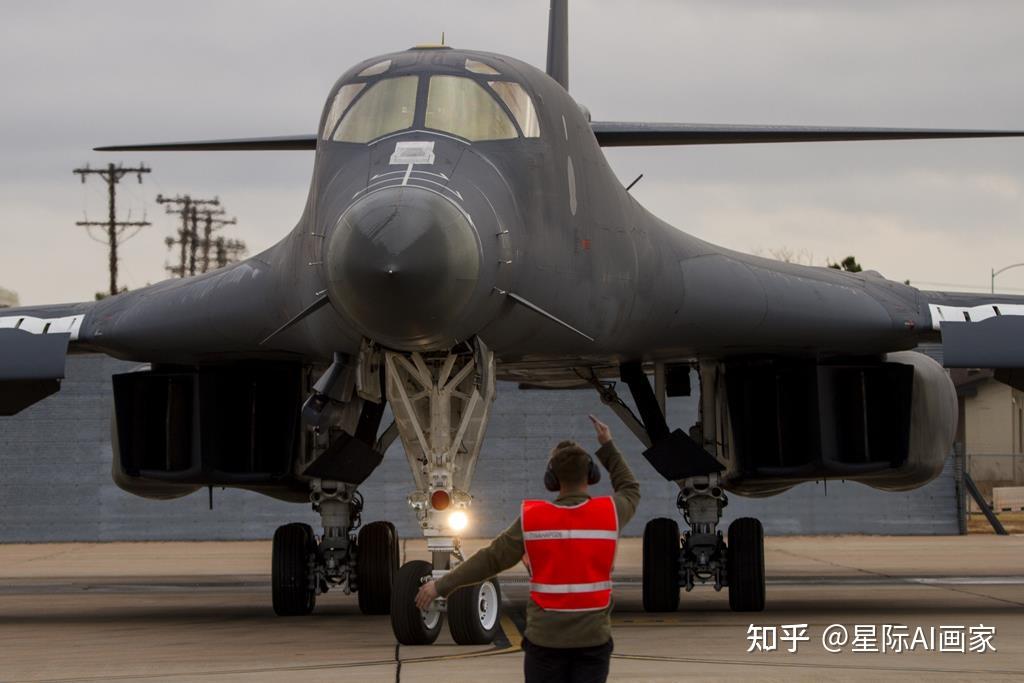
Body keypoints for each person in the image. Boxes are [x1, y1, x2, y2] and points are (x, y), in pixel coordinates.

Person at [415, 415, 640, 683]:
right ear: (590, 476)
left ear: (551, 479)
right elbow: (630, 488)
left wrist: (441, 586)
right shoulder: (609, 514)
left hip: (546, 643)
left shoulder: (533, 519)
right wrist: (607, 445)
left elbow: (489, 560)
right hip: (592, 642)